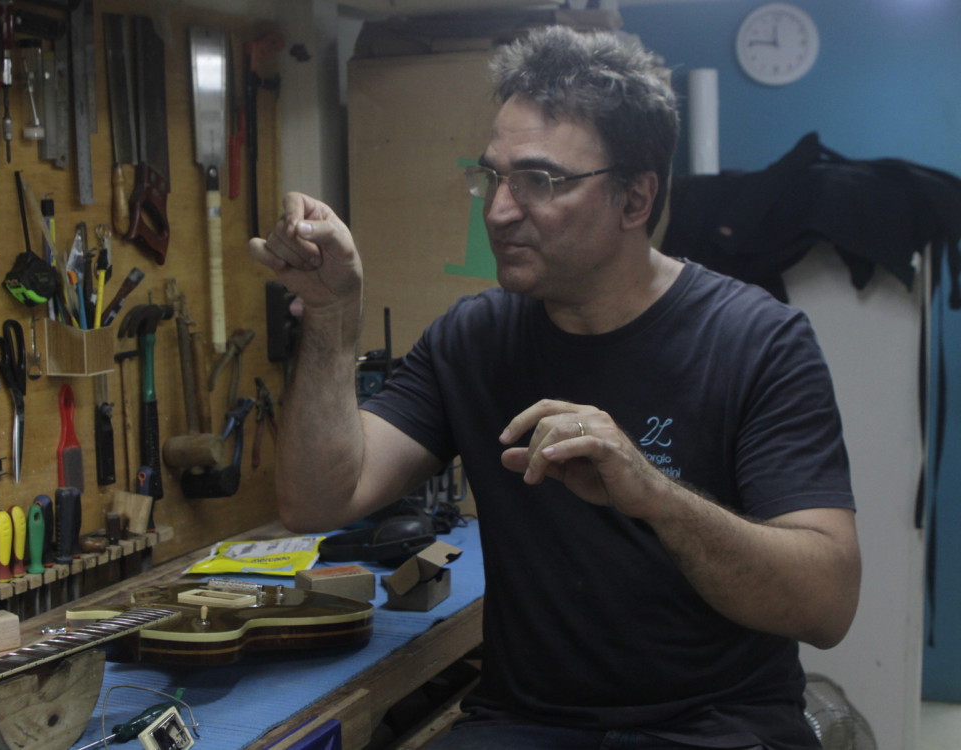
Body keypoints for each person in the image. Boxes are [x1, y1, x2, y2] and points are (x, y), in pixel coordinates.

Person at [247, 24, 860, 750]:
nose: (500, 211)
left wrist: (653, 496)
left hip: (716, 727)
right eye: (493, 176)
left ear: (635, 200)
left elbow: (826, 605)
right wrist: (329, 312)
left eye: (541, 181)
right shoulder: (473, 339)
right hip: (525, 725)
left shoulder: (758, 342)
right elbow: (318, 499)